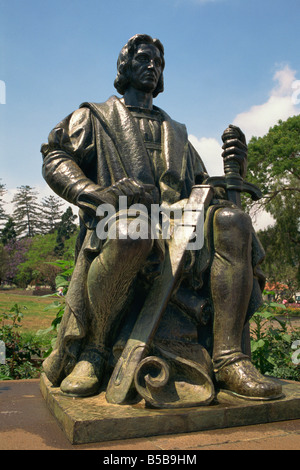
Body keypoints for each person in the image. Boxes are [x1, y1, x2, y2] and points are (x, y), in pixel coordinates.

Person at [41, 34, 282, 401]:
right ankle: (96, 350)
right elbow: (56, 156)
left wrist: (235, 171)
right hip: (116, 218)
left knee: (232, 221)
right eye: (143, 59)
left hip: (180, 227)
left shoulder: (178, 134)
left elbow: (203, 191)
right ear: (125, 67)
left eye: (158, 61)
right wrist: (90, 192)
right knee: (132, 231)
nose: (152, 65)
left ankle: (229, 358)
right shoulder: (95, 117)